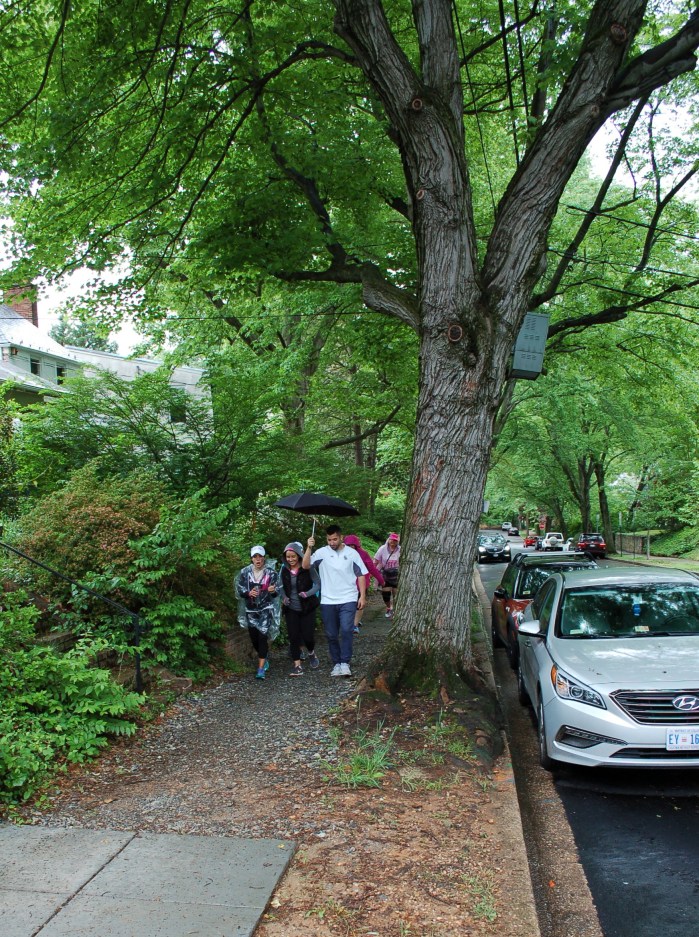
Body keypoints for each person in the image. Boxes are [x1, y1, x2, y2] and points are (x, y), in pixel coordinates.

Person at [303, 524, 368, 677]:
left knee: (346, 629)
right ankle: (336, 663)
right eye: (329, 540)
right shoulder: (321, 553)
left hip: (348, 598)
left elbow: (361, 575)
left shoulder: (352, 554)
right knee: (331, 634)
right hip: (327, 599)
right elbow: (306, 565)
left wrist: (363, 596)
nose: (332, 542)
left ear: (341, 537)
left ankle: (345, 662)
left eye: (334, 539)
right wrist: (309, 548)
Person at [235, 545, 281, 680]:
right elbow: (239, 590)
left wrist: (273, 591)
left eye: (260, 556)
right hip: (251, 609)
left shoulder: (271, 574)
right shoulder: (244, 573)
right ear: (251, 559)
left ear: (264, 558)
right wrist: (248, 592)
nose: (258, 559)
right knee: (254, 637)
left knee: (262, 636)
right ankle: (264, 657)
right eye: (255, 557)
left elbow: (277, 593)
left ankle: (260, 668)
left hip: (266, 608)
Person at [279, 541, 321, 676]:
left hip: (307, 607)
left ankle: (311, 653)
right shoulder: (283, 569)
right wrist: (284, 597)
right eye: (288, 557)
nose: (290, 559)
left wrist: (307, 593)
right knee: (293, 637)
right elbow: (280, 586)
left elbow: (318, 583)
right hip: (291, 608)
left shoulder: (307, 567)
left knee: (308, 636)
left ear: (299, 555)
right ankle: (297, 665)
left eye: (293, 556)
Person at [343, 534, 385, 634]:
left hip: (360, 584)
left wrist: (381, 580)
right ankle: (353, 621)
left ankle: (354, 625)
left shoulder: (363, 554)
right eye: (348, 545)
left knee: (359, 604)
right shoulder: (340, 554)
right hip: (346, 584)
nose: (351, 547)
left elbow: (372, 568)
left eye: (353, 545)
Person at [374, 532, 401, 618]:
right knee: (386, 593)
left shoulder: (401, 549)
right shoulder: (383, 549)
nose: (393, 542)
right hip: (386, 573)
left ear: (397, 541)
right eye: (391, 540)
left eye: (395, 540)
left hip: (397, 574)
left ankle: (396, 609)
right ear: (388, 540)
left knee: (396, 593)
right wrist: (372, 571)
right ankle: (389, 607)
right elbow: (376, 560)